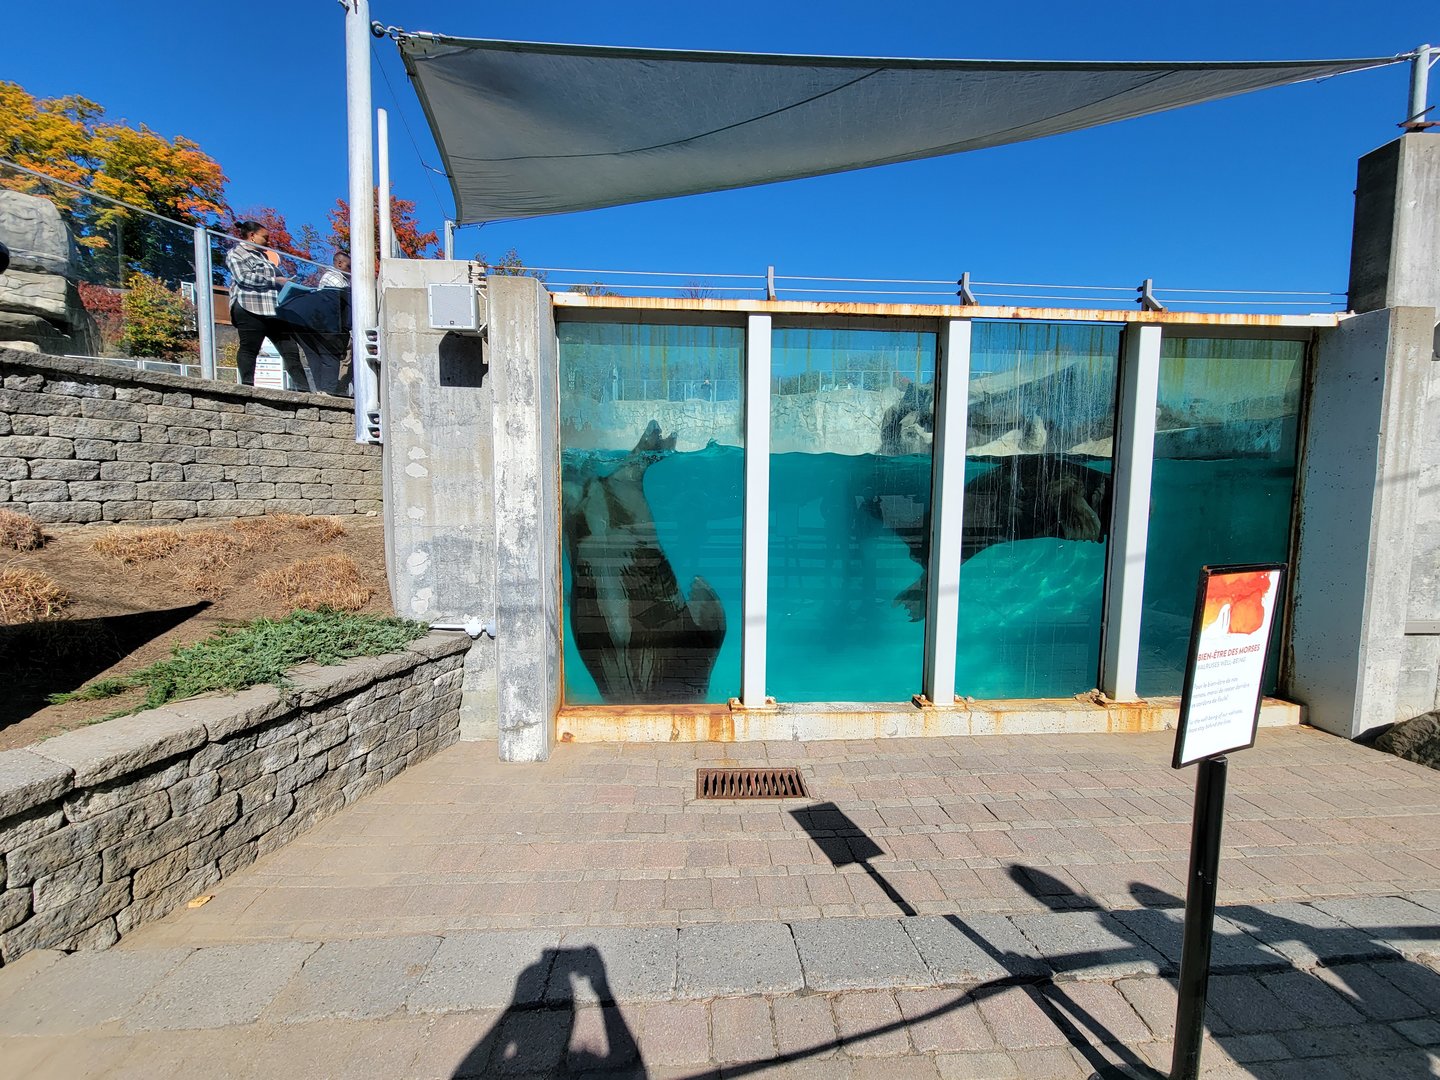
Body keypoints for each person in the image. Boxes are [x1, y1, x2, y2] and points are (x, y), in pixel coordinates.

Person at [224, 221, 310, 389]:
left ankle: (305, 390)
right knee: (250, 348)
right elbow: (243, 278)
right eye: (265, 237)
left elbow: (278, 280)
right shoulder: (236, 253)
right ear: (252, 236)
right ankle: (247, 387)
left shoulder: (265, 257)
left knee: (290, 351)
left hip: (275, 311)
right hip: (249, 308)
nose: (269, 241)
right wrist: (274, 281)